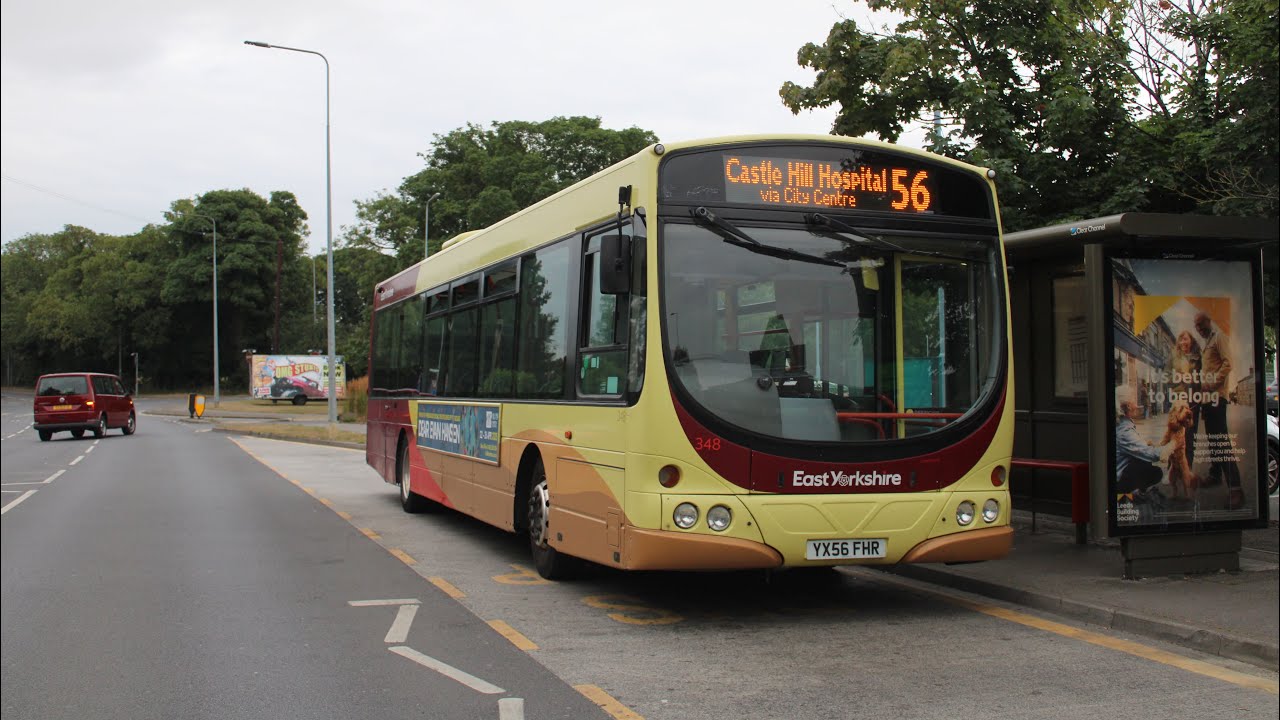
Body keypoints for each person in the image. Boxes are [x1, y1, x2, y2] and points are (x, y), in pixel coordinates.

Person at [1195, 312, 1243, 508]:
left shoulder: (1219, 338)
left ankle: (1236, 489)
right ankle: (1215, 474)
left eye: (1200, 324)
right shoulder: (1207, 344)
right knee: (1213, 438)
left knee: (1221, 440)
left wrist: (1213, 383)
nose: (1198, 329)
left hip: (1217, 397)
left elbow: (1228, 363)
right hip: (1207, 400)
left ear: (1208, 321)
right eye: (1196, 326)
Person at [1115, 397, 1167, 500]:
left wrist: (1146, 445)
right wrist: (1171, 446)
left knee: (1144, 461)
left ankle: (1137, 492)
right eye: (1135, 402)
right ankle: (1125, 495)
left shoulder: (1123, 423)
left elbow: (1136, 447)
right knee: (1155, 472)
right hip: (1118, 478)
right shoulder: (1124, 430)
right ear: (1129, 407)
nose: (1137, 406)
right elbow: (1153, 455)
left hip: (1119, 468)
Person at [1167, 329, 1202, 462]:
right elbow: (1166, 376)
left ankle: (1188, 469)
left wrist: (1194, 379)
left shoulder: (1198, 356)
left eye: (1185, 339)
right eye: (1180, 339)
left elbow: (1205, 376)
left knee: (1190, 436)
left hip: (1193, 400)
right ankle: (1173, 469)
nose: (1183, 342)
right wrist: (1178, 377)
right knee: (1174, 435)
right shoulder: (1173, 357)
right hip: (1178, 401)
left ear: (1191, 340)